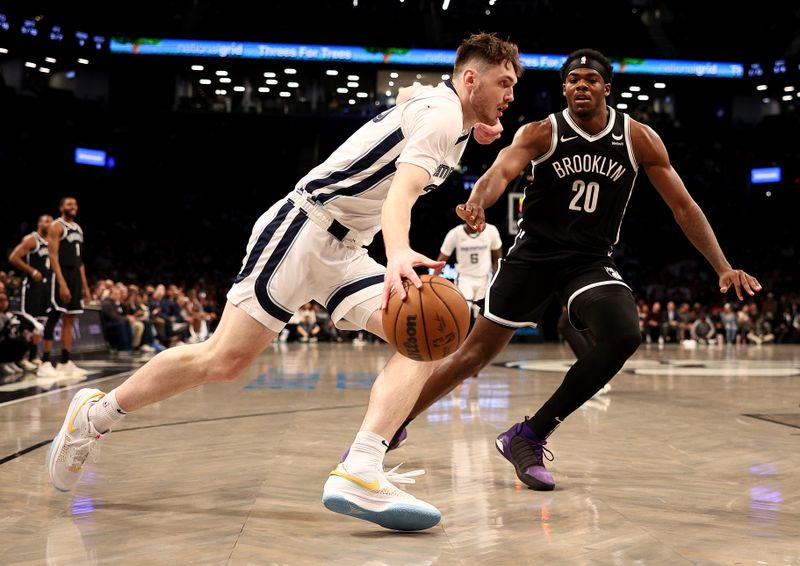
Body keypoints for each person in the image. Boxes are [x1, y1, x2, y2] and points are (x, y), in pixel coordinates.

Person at [47, 32, 520, 532]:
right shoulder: (444, 115)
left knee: (423, 338)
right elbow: (400, 192)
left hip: (345, 250)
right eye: (503, 83)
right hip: (303, 227)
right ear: (470, 79)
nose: (510, 94)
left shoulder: (448, 113)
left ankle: (360, 467)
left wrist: (475, 122)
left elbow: (407, 97)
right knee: (223, 359)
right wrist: (399, 251)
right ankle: (95, 416)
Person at [394, 48, 762, 492]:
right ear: (563, 87)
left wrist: (722, 266)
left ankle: (528, 435)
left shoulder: (638, 138)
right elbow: (499, 173)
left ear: (607, 87)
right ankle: (393, 424)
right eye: (572, 80)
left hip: (589, 260)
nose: (580, 86)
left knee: (624, 333)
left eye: (590, 79)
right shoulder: (542, 132)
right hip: (533, 255)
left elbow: (683, 207)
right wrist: (476, 202)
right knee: (472, 357)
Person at [37, 198, 91, 378]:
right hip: (61, 275)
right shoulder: (56, 226)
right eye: (69, 205)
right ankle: (44, 362)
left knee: (70, 318)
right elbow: (52, 256)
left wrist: (85, 287)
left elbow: (80, 261)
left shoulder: (78, 228)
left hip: (75, 275)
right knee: (54, 316)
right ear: (61, 207)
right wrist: (62, 283)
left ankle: (64, 362)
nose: (73, 207)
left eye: (75, 204)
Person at [7, 214, 53, 368]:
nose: (50, 224)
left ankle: (33, 356)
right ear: (39, 223)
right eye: (46, 221)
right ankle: (21, 357)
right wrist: (32, 271)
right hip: (31, 285)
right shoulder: (31, 239)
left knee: (39, 322)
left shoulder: (51, 242)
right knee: (28, 321)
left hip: (45, 286)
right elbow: (13, 257)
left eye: (51, 221)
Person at [434, 221, 502, 321]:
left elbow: (498, 258)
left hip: (484, 278)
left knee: (481, 317)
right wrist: (434, 280)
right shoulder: (455, 233)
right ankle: (461, 336)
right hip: (464, 278)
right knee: (462, 313)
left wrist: (496, 280)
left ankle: (479, 337)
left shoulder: (491, 230)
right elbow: (441, 260)